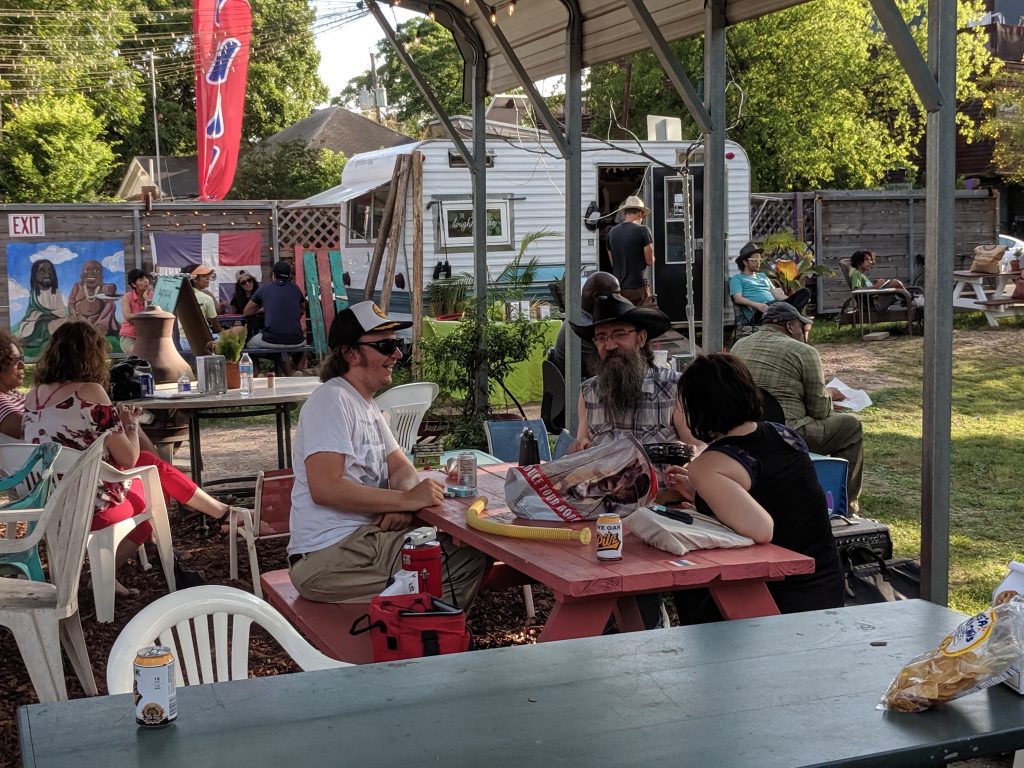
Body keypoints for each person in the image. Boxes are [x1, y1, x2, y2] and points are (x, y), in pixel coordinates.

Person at [22, 321, 249, 596]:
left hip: (48, 503)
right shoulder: (90, 391)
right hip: (87, 506)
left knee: (151, 465)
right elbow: (128, 459)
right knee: (154, 492)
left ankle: (222, 512)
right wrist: (130, 424)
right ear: (92, 355)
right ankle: (105, 574)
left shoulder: (33, 396)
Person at [287, 301, 488, 606]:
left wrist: (402, 505)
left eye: (398, 344)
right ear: (350, 353)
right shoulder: (331, 399)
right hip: (329, 557)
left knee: (458, 550)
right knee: (458, 561)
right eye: (385, 345)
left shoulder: (364, 404)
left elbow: (402, 469)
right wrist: (405, 500)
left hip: (359, 545)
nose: (397, 354)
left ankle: (422, 639)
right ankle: (422, 646)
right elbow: (325, 487)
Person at [665, 352, 844, 620]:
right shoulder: (783, 434)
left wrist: (702, 484)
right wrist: (700, 493)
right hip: (828, 582)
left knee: (691, 582)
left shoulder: (708, 464)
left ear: (696, 408)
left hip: (778, 598)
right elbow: (772, 495)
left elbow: (762, 529)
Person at [731, 302, 864, 515]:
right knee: (850, 427)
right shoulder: (804, 351)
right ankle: (845, 506)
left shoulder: (739, 346)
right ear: (791, 326)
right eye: (805, 328)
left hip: (746, 430)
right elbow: (820, 411)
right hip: (787, 433)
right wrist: (829, 394)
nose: (805, 333)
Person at [569, 292, 699, 456]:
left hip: (660, 481)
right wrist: (580, 447)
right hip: (605, 482)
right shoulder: (588, 392)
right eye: (601, 338)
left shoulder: (675, 387)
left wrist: (683, 458)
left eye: (619, 334)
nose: (609, 346)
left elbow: (698, 450)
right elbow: (582, 444)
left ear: (642, 338)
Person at [548, 271, 620, 379]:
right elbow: (607, 372)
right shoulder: (583, 328)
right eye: (615, 295)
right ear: (596, 296)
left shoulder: (582, 318)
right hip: (581, 391)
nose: (619, 300)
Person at [730, 242, 811, 325]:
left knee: (805, 292)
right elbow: (738, 298)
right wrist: (758, 305)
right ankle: (796, 317)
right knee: (775, 305)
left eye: (759, 260)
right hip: (759, 312)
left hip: (775, 306)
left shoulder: (762, 276)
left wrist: (790, 302)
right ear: (745, 262)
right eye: (754, 260)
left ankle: (792, 314)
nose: (758, 263)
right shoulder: (737, 279)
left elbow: (776, 294)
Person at [607, 195, 654, 306]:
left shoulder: (612, 232)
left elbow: (613, 261)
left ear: (624, 213)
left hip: (618, 288)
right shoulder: (643, 230)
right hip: (637, 288)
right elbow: (650, 261)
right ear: (640, 213)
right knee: (644, 318)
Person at [16, 258, 68, 350]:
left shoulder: (56, 292)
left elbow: (61, 311)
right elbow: (32, 313)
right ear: (35, 275)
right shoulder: (34, 294)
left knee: (69, 320)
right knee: (24, 327)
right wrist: (41, 316)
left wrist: (49, 316)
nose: (47, 274)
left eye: (50, 271)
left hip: (53, 320)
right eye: (42, 271)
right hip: (36, 323)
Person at [68, 259, 119, 336]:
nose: (91, 273)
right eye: (87, 271)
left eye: (96, 271)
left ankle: (101, 327)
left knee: (111, 304)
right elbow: (71, 302)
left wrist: (110, 289)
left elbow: (110, 296)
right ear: (82, 275)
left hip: (98, 319)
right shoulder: (77, 287)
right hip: (80, 317)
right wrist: (72, 310)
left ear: (101, 276)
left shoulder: (103, 288)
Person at [119, 269, 152, 356]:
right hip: (129, 336)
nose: (146, 281)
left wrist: (147, 299)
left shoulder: (151, 296)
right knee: (138, 354)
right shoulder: (127, 297)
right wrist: (144, 316)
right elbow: (127, 316)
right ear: (134, 284)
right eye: (141, 279)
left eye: (146, 278)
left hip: (147, 337)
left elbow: (154, 315)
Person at [0, 331, 25, 439]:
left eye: (21, 359)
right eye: (15, 361)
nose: (22, 365)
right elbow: (33, 428)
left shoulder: (14, 394)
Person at [188, 264, 223, 334]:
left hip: (183, 340)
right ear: (195, 279)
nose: (208, 278)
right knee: (239, 329)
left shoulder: (181, 295)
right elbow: (216, 327)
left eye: (208, 276)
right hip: (205, 339)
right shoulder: (206, 298)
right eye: (204, 276)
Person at [230, 270, 263, 341]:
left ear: (253, 280)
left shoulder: (262, 294)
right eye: (243, 282)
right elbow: (232, 317)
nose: (247, 283)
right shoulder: (236, 299)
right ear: (239, 285)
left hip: (263, 329)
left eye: (249, 280)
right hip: (246, 331)